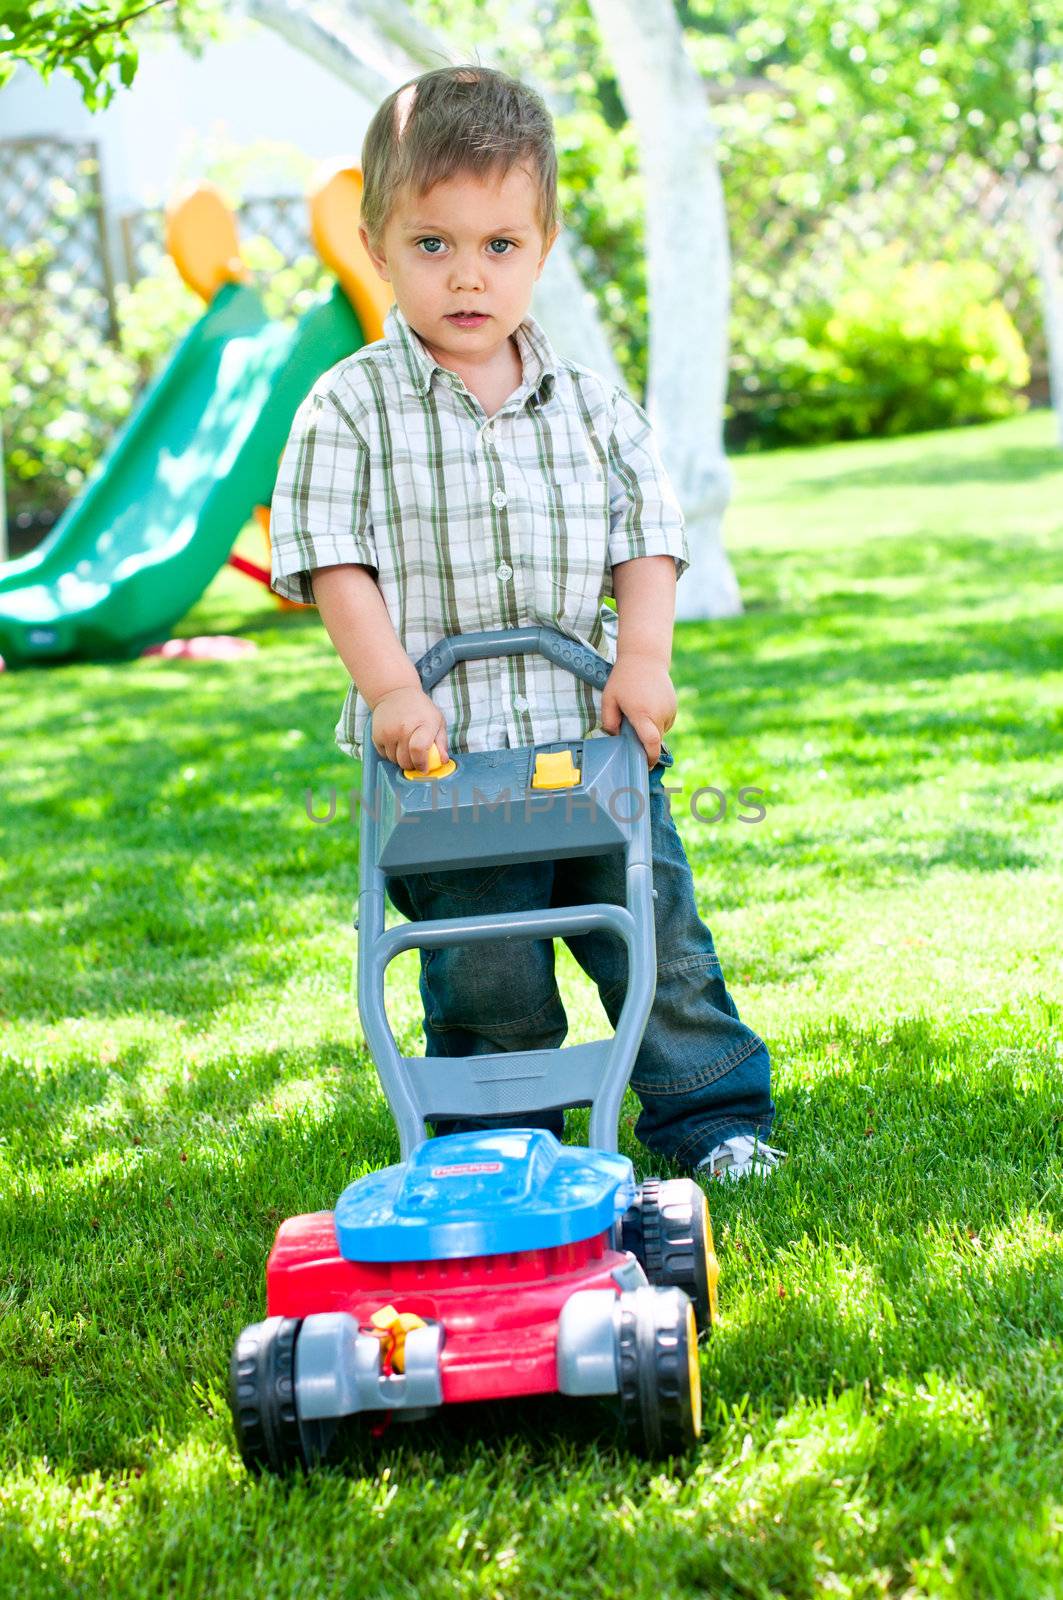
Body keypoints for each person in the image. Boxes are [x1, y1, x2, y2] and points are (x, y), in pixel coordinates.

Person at [269, 64, 782, 1180]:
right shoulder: (347, 408)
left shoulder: (593, 405)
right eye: (433, 244)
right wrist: (394, 690)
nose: (468, 275)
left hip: (592, 746)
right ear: (376, 245)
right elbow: (333, 564)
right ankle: (499, 1142)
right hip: (443, 765)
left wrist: (641, 658)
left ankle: (713, 1119)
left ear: (541, 244)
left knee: (656, 939)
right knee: (484, 968)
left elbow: (646, 535)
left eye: (499, 245)